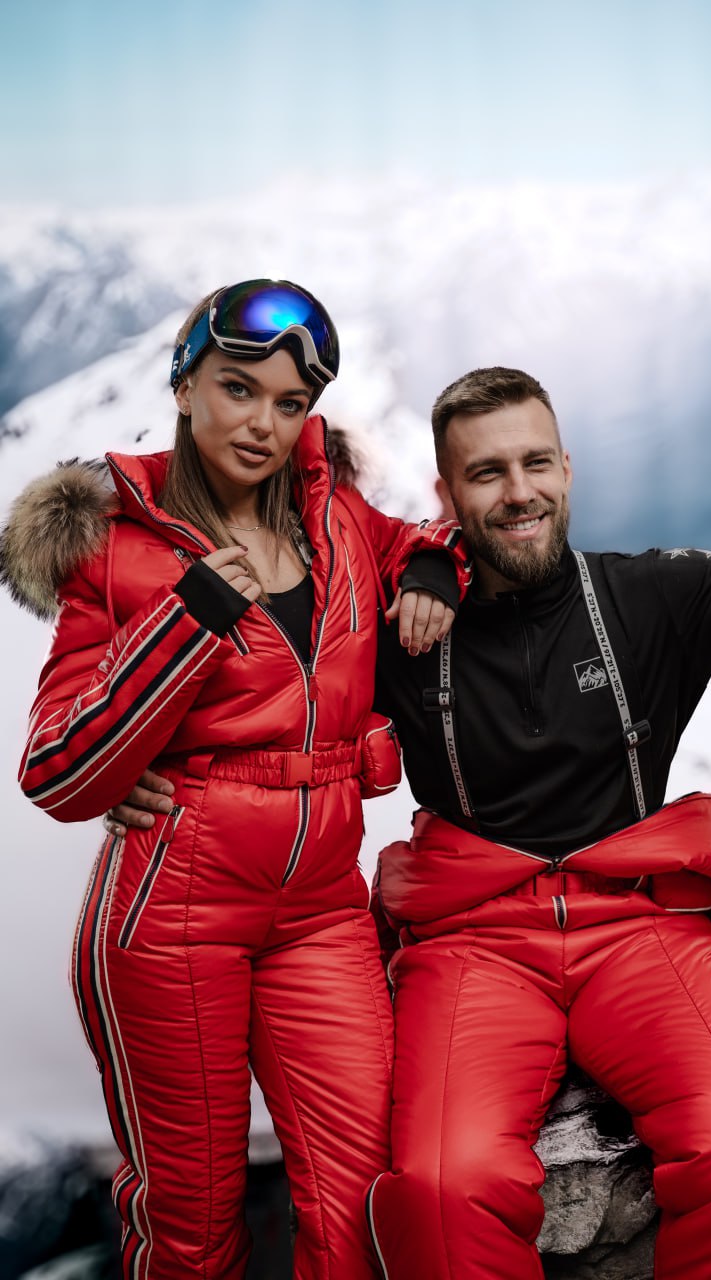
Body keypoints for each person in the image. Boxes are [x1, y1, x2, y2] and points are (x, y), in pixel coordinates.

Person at [105, 365, 711, 1279]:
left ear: (566, 469)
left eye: (535, 464)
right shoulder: (397, 627)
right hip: (471, 939)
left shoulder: (653, 596)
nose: (518, 491)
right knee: (443, 1187)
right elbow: (263, 700)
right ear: (446, 496)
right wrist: (142, 772)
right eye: (486, 474)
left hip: (644, 925)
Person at [0, 279, 466, 1280]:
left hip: (321, 910)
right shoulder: (116, 548)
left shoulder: (333, 514)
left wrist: (429, 569)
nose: (262, 422)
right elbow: (56, 768)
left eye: (289, 402)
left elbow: (428, 541)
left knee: (362, 1198)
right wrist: (189, 617)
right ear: (184, 384)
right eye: (238, 388)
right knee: (191, 1224)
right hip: (172, 916)